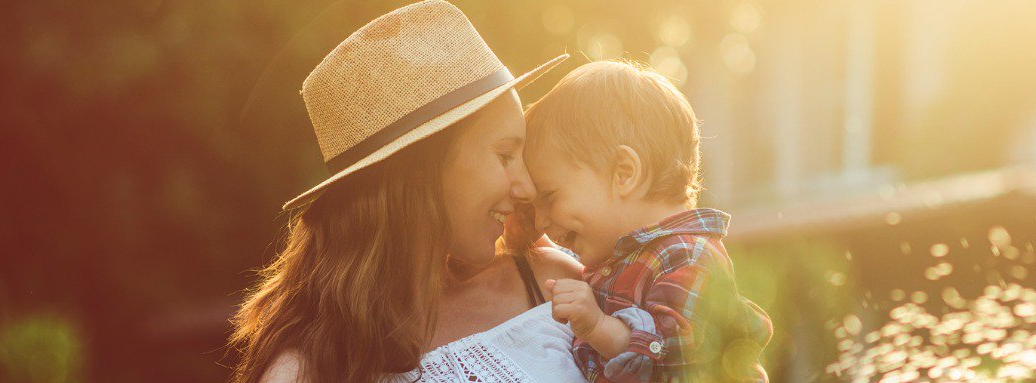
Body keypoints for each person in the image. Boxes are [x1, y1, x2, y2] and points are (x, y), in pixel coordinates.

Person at [225, 2, 586, 382]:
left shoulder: (555, 287)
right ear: (422, 174)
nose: (526, 188)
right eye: (505, 154)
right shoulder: (311, 368)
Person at [522, 60, 773, 382]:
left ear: (624, 173)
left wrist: (598, 327)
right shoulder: (622, 258)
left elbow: (674, 361)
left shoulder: (687, 256)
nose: (541, 222)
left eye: (550, 197)